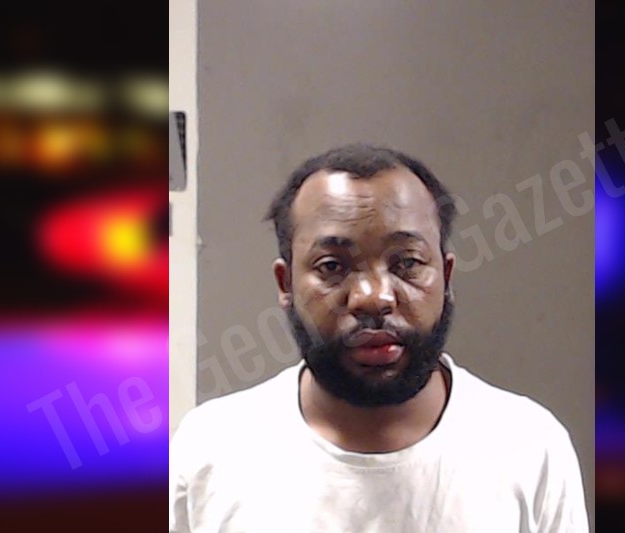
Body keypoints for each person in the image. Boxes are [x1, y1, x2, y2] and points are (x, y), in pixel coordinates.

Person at [169, 143, 589, 532]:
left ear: (446, 276)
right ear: (286, 283)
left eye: (407, 262)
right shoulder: (212, 449)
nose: (374, 297)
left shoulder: (528, 448)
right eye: (332, 266)